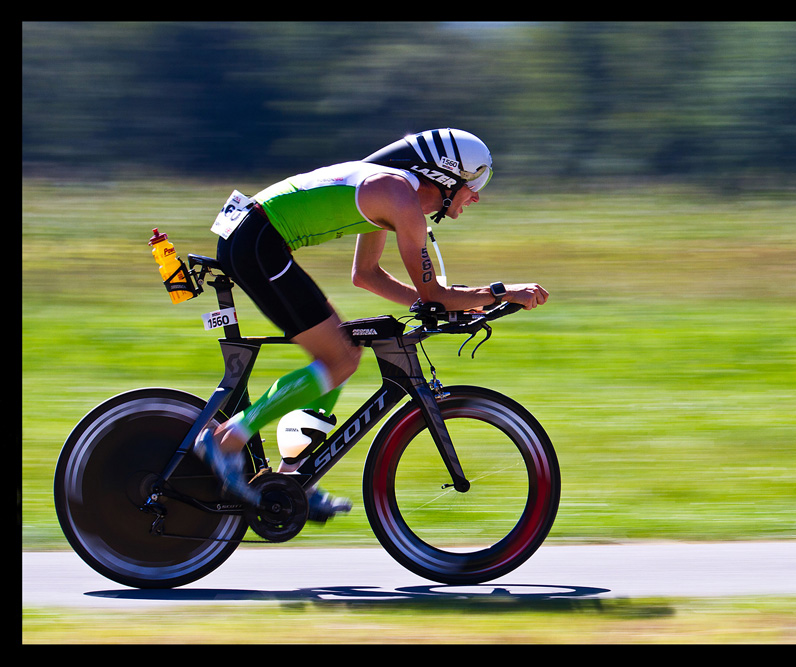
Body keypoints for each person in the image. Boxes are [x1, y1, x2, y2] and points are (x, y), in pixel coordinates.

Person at [195, 128, 549, 520]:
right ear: (447, 177)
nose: (477, 195)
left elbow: (367, 274)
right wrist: (501, 292)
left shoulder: (391, 190)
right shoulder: (399, 198)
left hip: (254, 237)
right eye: (474, 183)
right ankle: (227, 440)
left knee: (344, 348)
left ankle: (292, 479)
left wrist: (441, 302)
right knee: (340, 359)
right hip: (256, 241)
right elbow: (433, 293)